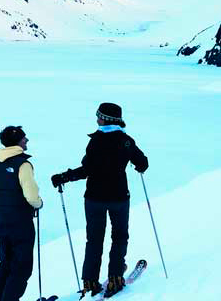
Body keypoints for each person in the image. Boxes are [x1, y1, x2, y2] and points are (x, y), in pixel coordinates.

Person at [51, 103, 148, 298]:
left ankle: (90, 281)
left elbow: (86, 170)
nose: (97, 120)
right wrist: (138, 167)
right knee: (119, 237)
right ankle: (115, 278)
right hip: (119, 198)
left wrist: (64, 176)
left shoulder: (95, 142)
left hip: (94, 198)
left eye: (99, 117)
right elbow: (143, 163)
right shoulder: (126, 141)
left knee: (94, 239)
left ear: (107, 119)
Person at [0, 126, 43, 301]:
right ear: (17, 141)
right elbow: (31, 195)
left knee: (5, 264)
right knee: (22, 266)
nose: (26, 140)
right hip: (21, 223)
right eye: (24, 138)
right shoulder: (22, 164)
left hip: (2, 222)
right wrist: (38, 204)